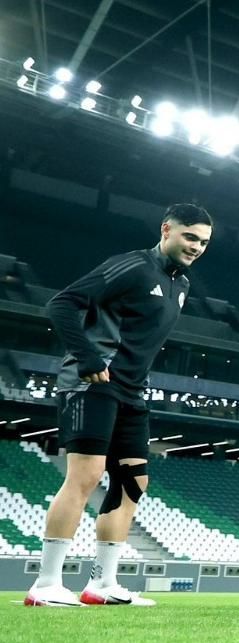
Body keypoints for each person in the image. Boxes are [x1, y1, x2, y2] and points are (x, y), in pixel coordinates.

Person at [26, 204, 213, 607]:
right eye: (190, 236)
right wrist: (88, 357)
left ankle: (102, 584)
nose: (196, 247)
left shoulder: (181, 284)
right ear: (166, 229)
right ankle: (45, 583)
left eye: (203, 242)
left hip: (132, 392)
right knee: (86, 476)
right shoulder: (133, 266)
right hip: (93, 384)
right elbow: (62, 304)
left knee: (133, 483)